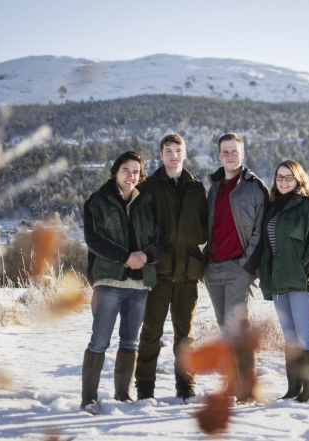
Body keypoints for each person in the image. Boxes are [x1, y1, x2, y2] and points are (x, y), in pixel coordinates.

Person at [80, 151, 164, 414]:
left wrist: (145, 256)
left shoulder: (146, 203)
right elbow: (95, 239)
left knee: (130, 342)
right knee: (99, 341)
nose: (131, 176)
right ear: (115, 172)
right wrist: (125, 256)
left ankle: (122, 393)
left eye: (136, 172)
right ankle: (89, 399)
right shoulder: (98, 201)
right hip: (109, 282)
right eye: (126, 170)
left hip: (139, 285)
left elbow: (159, 241)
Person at [134, 133, 208, 401]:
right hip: (158, 273)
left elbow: (204, 229)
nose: (174, 155)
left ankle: (185, 386)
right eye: (168, 150)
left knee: (185, 335)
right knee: (151, 331)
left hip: (187, 273)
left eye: (178, 150)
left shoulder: (196, 188)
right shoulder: (148, 186)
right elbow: (140, 227)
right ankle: (145, 388)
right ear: (161, 154)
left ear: (184, 153)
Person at [259, 160, 309, 403]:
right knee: (290, 337)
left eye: (288, 177)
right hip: (279, 282)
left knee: (305, 336)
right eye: (279, 177)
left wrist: (302, 266)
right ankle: (293, 390)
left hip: (302, 280)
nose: (283, 181)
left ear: (299, 180)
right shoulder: (271, 209)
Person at [203, 132, 268, 401]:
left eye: (234, 151)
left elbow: (261, 229)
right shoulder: (214, 186)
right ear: (219, 156)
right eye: (225, 152)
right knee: (225, 328)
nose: (230, 156)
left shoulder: (254, 186)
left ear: (243, 154)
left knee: (238, 329)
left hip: (239, 268)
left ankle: (247, 391)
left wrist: (246, 262)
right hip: (213, 268)